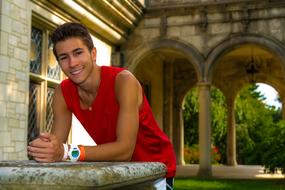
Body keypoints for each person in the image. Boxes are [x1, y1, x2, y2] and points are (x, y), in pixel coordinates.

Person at [27, 22, 176, 189]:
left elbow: (124, 151)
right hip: (117, 170)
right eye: (64, 57)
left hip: (155, 169)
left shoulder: (124, 81)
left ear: (93, 53)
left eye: (78, 53)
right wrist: (47, 148)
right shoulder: (63, 91)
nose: (72, 63)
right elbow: (57, 145)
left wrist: (66, 152)